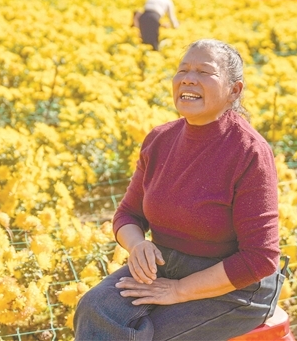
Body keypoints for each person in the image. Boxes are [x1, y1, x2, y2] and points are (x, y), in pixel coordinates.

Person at [74, 39, 283, 341]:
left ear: (234, 91)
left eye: (204, 72)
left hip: (237, 288)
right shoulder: (159, 139)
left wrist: (180, 290)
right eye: (182, 70)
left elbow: (260, 258)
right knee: (94, 309)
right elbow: (127, 215)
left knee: (152, 334)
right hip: (167, 265)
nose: (188, 78)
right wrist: (137, 246)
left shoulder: (249, 151)